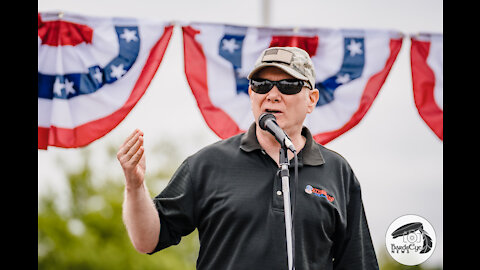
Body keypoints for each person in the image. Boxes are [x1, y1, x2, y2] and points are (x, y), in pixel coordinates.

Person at [117, 47, 379, 269]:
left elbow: (357, 261)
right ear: (252, 95)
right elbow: (147, 240)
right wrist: (134, 186)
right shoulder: (208, 164)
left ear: (311, 100)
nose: (272, 94)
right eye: (262, 85)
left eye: (288, 85)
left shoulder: (337, 171)